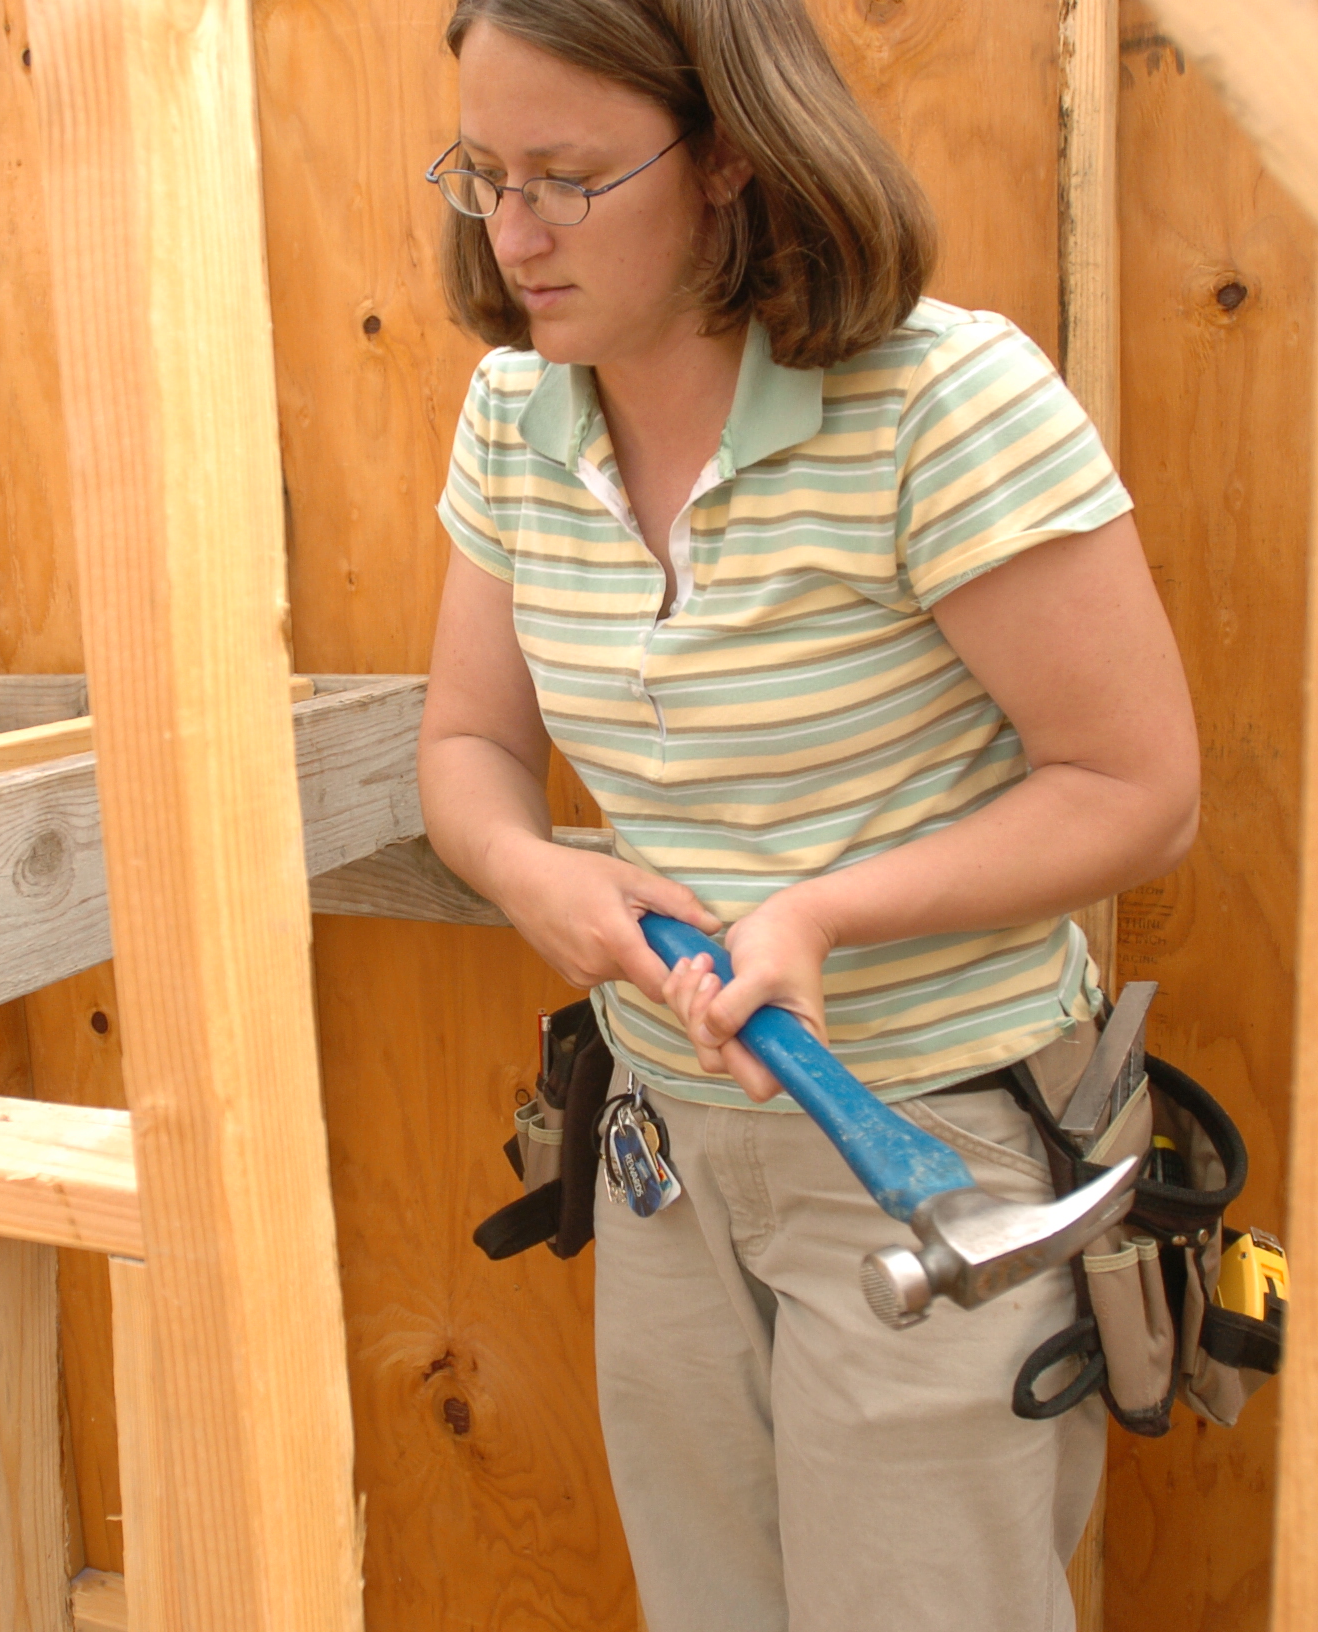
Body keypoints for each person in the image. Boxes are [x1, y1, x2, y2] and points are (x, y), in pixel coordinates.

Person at [413, 0, 1202, 1627]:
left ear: (727, 161)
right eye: (482, 174)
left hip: (930, 1146)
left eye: (564, 177)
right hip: (665, 1157)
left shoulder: (941, 405)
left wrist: (828, 914)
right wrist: (519, 871)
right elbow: (468, 740)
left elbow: (1138, 794)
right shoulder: (516, 416)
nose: (514, 233)